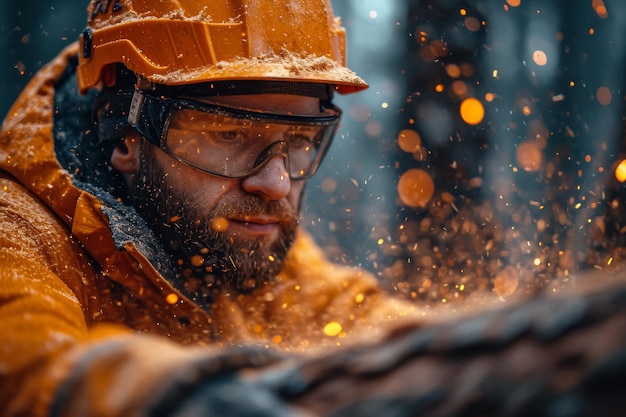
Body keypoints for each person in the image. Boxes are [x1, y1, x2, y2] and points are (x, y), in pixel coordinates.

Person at [0, 0, 419, 415]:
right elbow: (35, 371)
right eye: (231, 135)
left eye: (298, 140)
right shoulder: (18, 238)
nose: (276, 184)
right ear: (126, 133)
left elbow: (351, 316)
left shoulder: (245, 238)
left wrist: (466, 350)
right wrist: (173, 398)